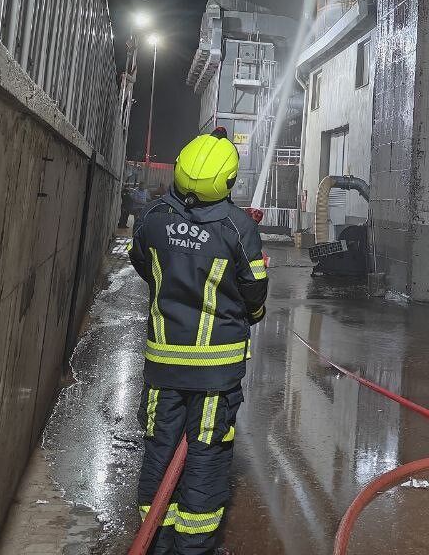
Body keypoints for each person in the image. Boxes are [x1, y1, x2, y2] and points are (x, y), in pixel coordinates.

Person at [128, 127, 268, 554]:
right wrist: (253, 313)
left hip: (164, 366)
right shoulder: (238, 228)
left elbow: (142, 264)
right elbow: (254, 293)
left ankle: (156, 539)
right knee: (206, 453)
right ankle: (195, 547)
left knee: (159, 448)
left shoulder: (152, 218)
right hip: (215, 373)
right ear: (227, 181)